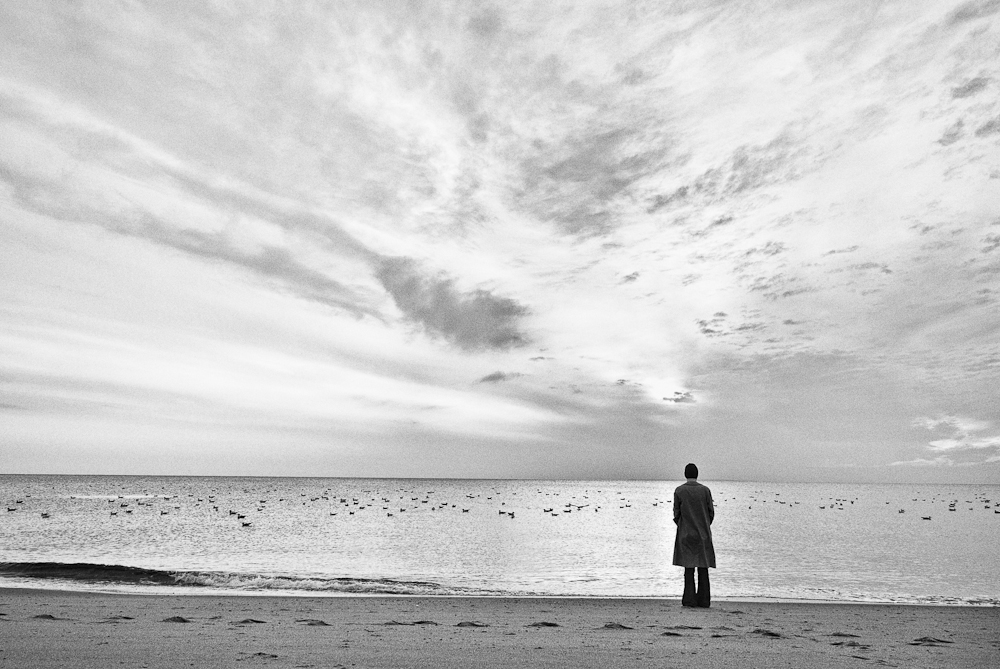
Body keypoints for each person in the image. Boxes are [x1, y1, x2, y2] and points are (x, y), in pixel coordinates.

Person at [672, 463, 715, 607]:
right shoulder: (705, 490)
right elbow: (711, 513)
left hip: (686, 534)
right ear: (697, 474)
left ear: (685, 474)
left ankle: (689, 599)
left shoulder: (679, 491)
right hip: (703, 533)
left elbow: (676, 513)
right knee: (703, 567)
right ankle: (704, 600)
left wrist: (682, 526)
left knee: (688, 568)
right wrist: (704, 525)